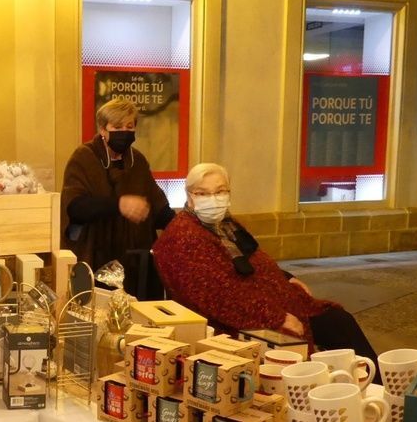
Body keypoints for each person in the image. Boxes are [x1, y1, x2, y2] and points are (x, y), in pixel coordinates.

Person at [152, 162, 379, 371]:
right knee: (311, 332)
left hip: (268, 302)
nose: (214, 198)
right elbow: (217, 296)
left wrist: (285, 277)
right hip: (236, 322)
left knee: (339, 321)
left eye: (220, 191)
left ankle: (370, 384)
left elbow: (255, 259)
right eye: (203, 193)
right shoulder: (184, 236)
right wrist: (276, 317)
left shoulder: (225, 224)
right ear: (190, 196)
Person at [61, 97, 174, 295]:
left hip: (134, 260)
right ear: (103, 129)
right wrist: (118, 205)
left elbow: (157, 205)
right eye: (118, 126)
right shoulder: (84, 157)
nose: (125, 131)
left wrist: (181, 227)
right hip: (96, 256)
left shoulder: (137, 161)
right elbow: (75, 207)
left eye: (129, 126)